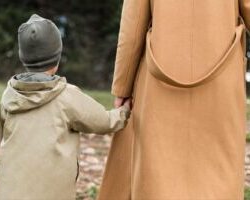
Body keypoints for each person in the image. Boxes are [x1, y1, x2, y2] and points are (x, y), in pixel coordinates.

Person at [98, 0, 250, 199]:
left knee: (158, 174)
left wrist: (123, 86)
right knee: (219, 172)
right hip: (221, 80)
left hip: (159, 79)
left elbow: (133, 26)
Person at [0, 14, 130, 200]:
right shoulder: (66, 95)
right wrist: (124, 112)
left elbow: (3, 139)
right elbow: (103, 122)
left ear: (23, 58)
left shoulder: (9, 95)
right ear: (57, 59)